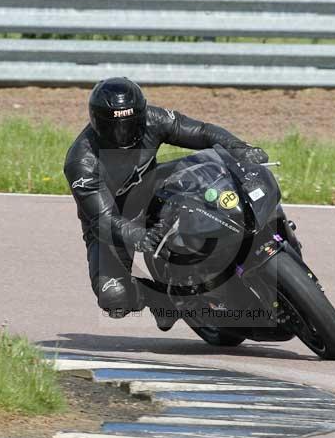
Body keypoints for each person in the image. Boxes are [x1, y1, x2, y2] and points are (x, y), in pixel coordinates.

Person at [63, 77, 268, 324]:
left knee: (208, 166)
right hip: (113, 224)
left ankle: (250, 229)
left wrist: (240, 148)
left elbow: (202, 132)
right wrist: (138, 236)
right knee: (114, 299)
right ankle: (158, 299)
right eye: (114, 127)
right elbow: (104, 220)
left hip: (154, 190)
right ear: (96, 123)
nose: (123, 135)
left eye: (130, 125)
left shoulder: (154, 118)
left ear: (141, 114)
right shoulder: (81, 163)